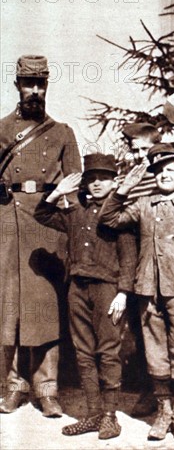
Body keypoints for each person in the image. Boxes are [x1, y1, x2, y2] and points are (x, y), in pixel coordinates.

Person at [98, 142, 174, 442]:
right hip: (149, 290)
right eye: (159, 171)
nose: (164, 175)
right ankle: (163, 412)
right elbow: (108, 219)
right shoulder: (143, 205)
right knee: (155, 353)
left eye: (170, 170)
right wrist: (123, 190)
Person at [34, 153, 137, 439]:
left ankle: (109, 416)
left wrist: (123, 293)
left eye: (104, 178)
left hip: (108, 289)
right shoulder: (74, 211)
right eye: (91, 178)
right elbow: (42, 214)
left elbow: (129, 258)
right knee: (83, 352)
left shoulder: (119, 214)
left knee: (107, 351)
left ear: (114, 181)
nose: (96, 184)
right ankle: (92, 415)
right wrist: (57, 192)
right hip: (77, 288)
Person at [0, 55, 81, 417]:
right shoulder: (1, 130)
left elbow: (77, 186)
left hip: (47, 225)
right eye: (28, 83)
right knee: (11, 306)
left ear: (47, 86)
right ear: (17, 85)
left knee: (45, 307)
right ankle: (14, 385)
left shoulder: (62, 132)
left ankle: (47, 389)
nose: (35, 90)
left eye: (40, 84)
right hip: (7, 223)